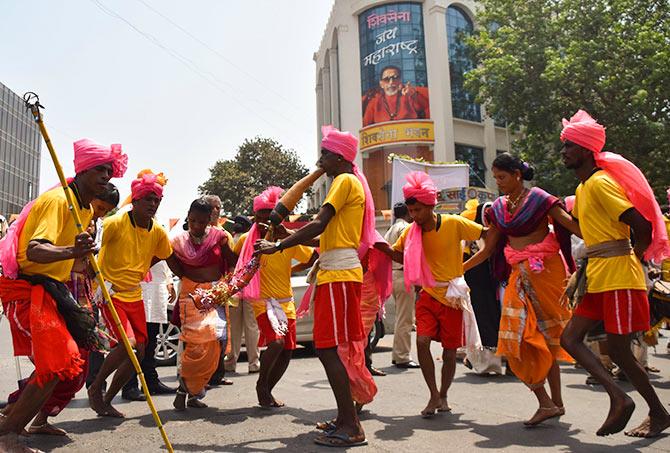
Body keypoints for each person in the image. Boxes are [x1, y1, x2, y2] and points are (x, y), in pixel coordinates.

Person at [0, 138, 127, 451]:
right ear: (81, 170)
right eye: (99, 169)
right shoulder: (60, 201)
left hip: (54, 293)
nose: (105, 176)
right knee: (58, 363)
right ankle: (8, 434)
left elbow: (73, 261)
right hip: (30, 290)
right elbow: (35, 250)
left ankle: (11, 425)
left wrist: (83, 259)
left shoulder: (82, 209)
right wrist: (74, 249)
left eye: (109, 171)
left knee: (67, 365)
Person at [256, 125, 379, 447]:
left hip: (339, 276)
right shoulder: (345, 181)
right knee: (328, 347)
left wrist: (278, 247)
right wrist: (287, 237)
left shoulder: (344, 181)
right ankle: (343, 418)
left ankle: (352, 426)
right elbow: (326, 235)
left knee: (326, 348)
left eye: (325, 153)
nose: (320, 159)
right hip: (333, 274)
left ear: (338, 157)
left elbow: (319, 223)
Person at [558, 109, 670, 438]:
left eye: (568, 146)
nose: (563, 152)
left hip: (618, 277)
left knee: (618, 350)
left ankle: (638, 406)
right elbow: (589, 231)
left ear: (584, 150)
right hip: (599, 277)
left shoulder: (600, 182)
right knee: (571, 339)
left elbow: (642, 226)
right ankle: (626, 400)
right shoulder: (584, 189)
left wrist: (629, 259)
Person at [463, 153, 580, 426]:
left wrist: (604, 232)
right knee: (516, 341)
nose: (498, 183)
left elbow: (571, 226)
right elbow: (488, 249)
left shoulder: (540, 198)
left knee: (550, 340)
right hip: (518, 276)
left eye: (502, 177)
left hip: (546, 274)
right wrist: (459, 269)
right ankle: (546, 402)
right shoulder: (499, 208)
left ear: (517, 174)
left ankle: (555, 404)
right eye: (495, 178)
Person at [376, 171, 484, 418]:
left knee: (448, 353)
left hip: (453, 298)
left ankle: (443, 395)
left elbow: (487, 235)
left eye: (418, 211)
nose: (414, 216)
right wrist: (378, 246)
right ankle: (433, 394)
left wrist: (468, 266)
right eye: (411, 212)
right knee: (422, 342)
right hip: (426, 295)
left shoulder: (454, 223)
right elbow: (398, 254)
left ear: (430, 206)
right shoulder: (410, 232)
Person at [88, 170, 182, 418]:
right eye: (148, 199)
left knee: (139, 352)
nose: (153, 204)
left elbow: (163, 257)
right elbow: (91, 251)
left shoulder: (158, 231)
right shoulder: (114, 223)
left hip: (134, 294)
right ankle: (96, 387)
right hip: (110, 292)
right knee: (128, 345)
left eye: (157, 200)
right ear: (136, 200)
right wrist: (97, 282)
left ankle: (106, 401)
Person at [233, 186, 316, 408]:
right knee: (277, 343)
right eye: (260, 216)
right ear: (254, 217)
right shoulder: (245, 241)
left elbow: (311, 257)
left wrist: (290, 270)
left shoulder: (287, 239)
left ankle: (267, 391)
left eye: (270, 217)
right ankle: (261, 385)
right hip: (261, 302)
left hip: (286, 301)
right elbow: (234, 261)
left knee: (288, 350)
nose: (264, 221)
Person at [171, 198, 231, 410]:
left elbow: (232, 261)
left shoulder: (219, 237)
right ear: (188, 217)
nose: (196, 226)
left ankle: (195, 391)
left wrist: (229, 285)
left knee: (217, 342)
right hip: (191, 296)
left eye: (201, 222)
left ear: (209, 221)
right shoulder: (176, 241)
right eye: (193, 220)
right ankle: (184, 390)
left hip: (215, 294)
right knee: (195, 343)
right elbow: (170, 263)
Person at [120, 260, 177, 401]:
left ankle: (151, 382)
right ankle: (129, 385)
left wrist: (169, 280)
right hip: (135, 289)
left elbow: (164, 257)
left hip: (157, 288)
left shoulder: (159, 236)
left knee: (151, 341)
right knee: (135, 342)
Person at [461, 201, 503, 375]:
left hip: (495, 283)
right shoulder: (473, 234)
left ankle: (491, 362)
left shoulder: (498, 232)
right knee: (482, 321)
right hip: (478, 284)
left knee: (493, 320)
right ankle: (483, 362)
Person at [202, 194, 236, 386]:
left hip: (221, 289)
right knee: (204, 334)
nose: (216, 211)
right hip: (202, 290)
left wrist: (228, 284)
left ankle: (218, 373)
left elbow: (232, 262)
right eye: (212, 207)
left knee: (222, 333)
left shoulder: (225, 234)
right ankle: (201, 374)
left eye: (218, 207)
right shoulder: (199, 231)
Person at [383, 202, 420, 369]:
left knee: (401, 318)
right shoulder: (406, 228)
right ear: (408, 213)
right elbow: (410, 253)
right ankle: (402, 356)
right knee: (405, 319)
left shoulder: (390, 230)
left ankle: (399, 354)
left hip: (393, 275)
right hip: (403, 274)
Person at [362, 65, 430, 127]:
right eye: (386, 79)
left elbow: (428, 108)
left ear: (400, 81)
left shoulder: (409, 94)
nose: (391, 82)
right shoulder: (374, 102)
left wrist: (412, 95)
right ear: (381, 84)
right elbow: (364, 126)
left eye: (395, 78)